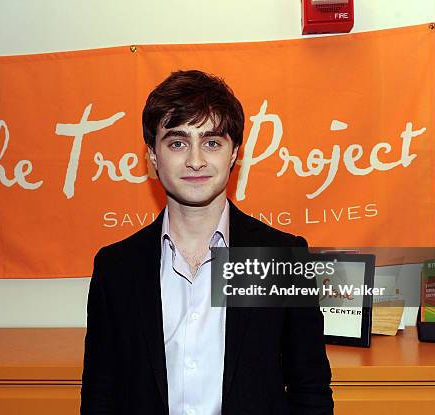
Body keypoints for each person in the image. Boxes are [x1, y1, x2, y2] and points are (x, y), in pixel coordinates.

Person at [81, 70, 333, 415]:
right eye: (177, 143)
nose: (195, 160)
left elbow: (310, 388)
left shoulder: (280, 256)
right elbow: (100, 393)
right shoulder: (117, 267)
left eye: (212, 142)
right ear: (153, 156)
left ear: (233, 154)